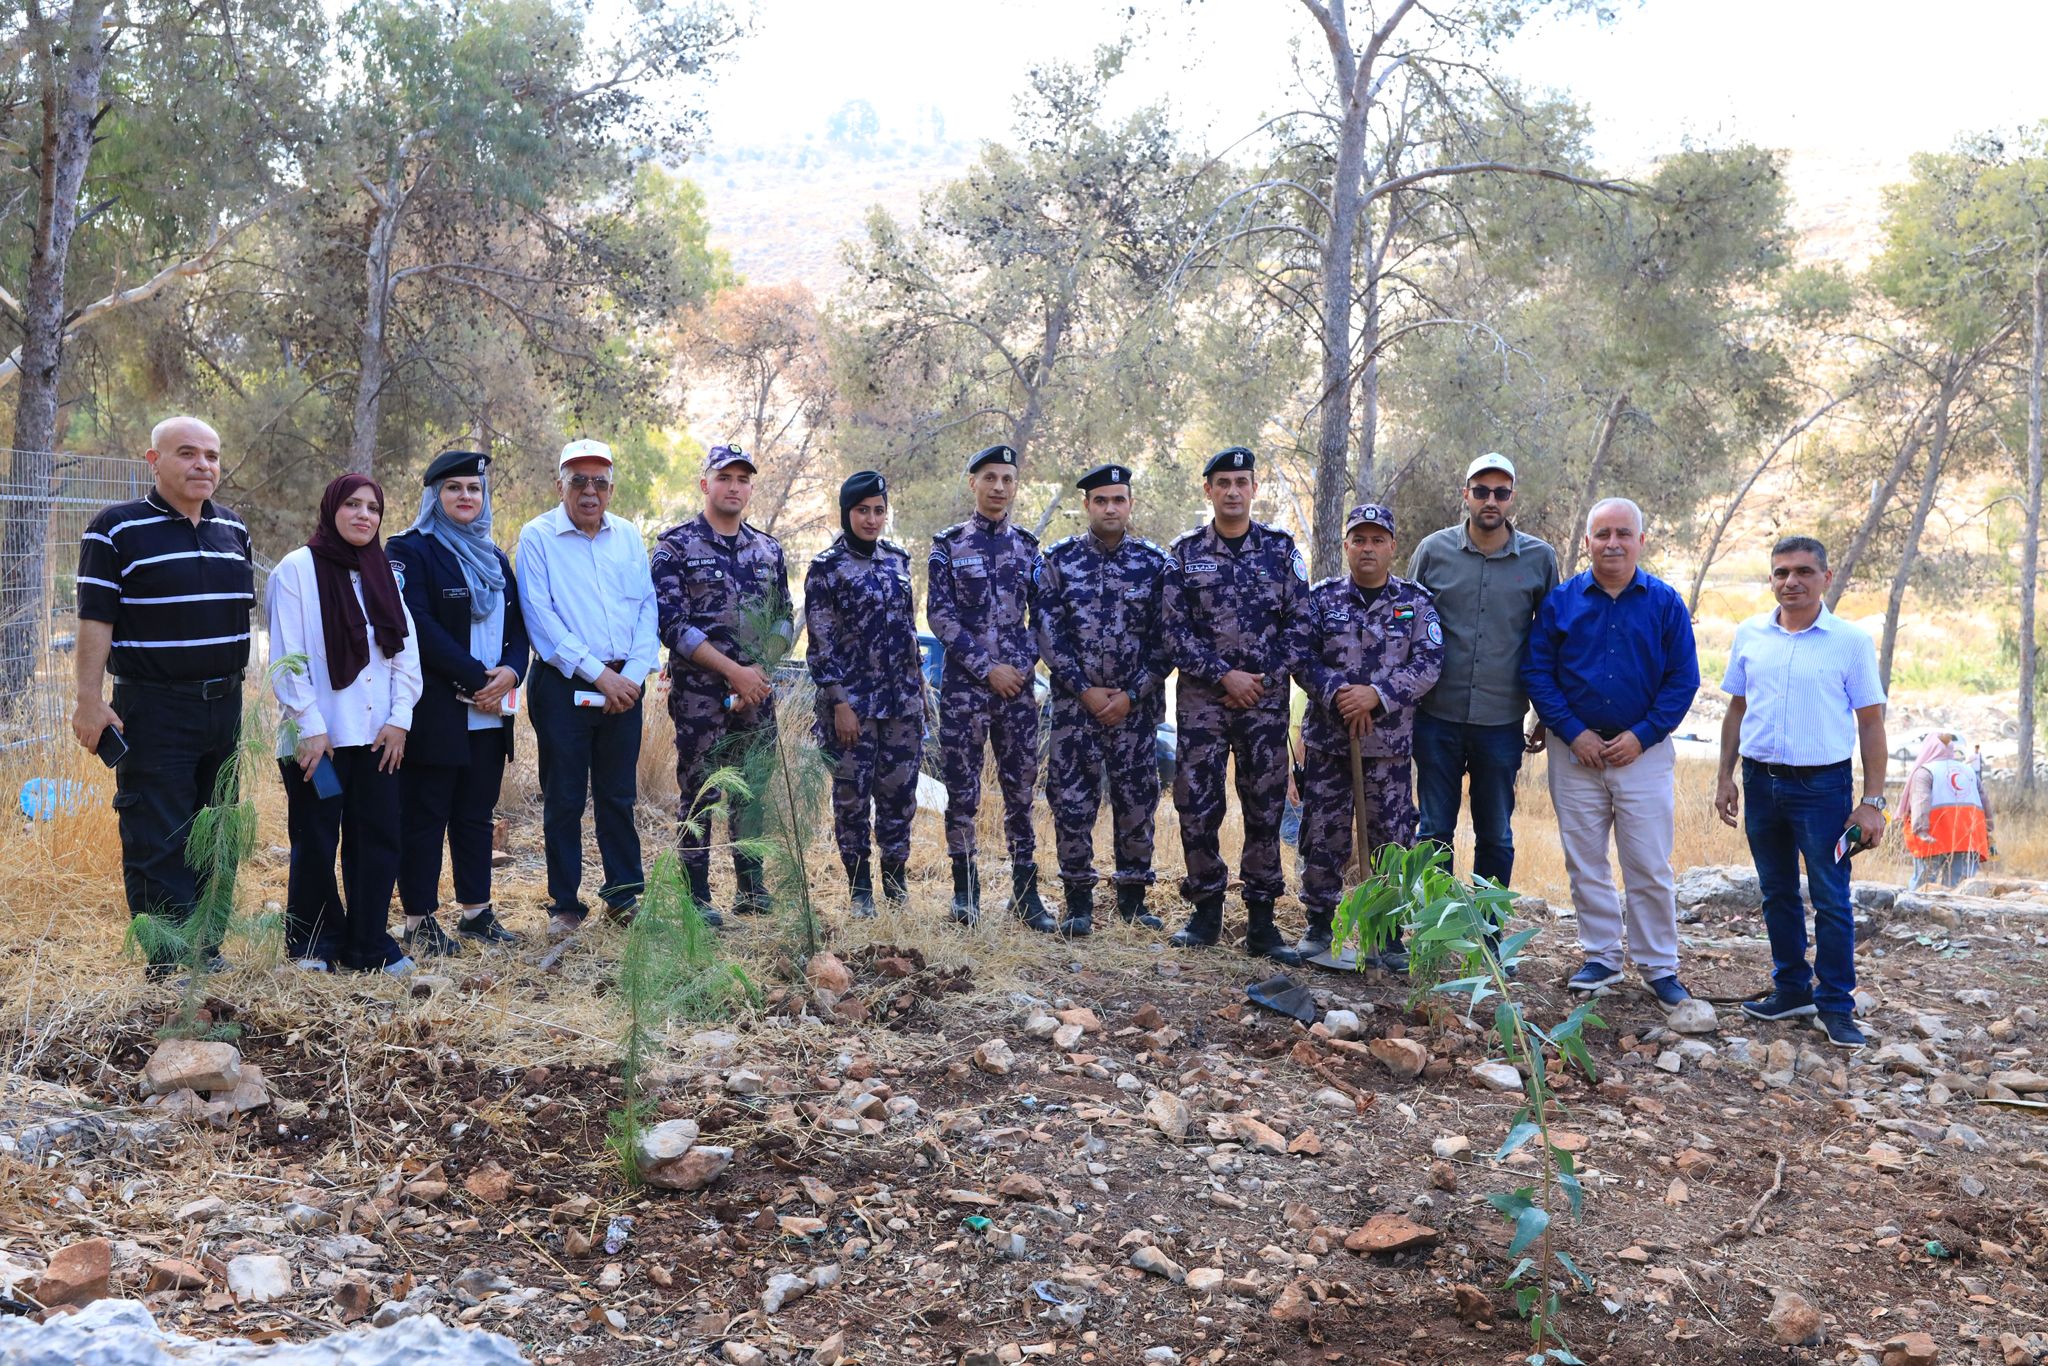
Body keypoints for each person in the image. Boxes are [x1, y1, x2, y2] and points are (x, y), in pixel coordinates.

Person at [72, 416, 257, 980]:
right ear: (154, 461)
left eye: (212, 455)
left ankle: (207, 947)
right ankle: (170, 962)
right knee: (159, 835)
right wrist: (87, 700)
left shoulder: (234, 530)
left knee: (216, 829)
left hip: (225, 705)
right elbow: (95, 621)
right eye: (187, 453)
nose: (203, 465)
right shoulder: (116, 529)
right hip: (153, 708)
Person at [1522, 498, 1700, 1007]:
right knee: (1585, 862)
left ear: (1641, 541)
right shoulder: (1560, 603)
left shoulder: (1665, 603)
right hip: (1574, 754)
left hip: (1642, 754)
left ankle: (1659, 966)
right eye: (1602, 534)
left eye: (1623, 534)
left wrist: (1642, 735)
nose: (1613, 543)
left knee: (1648, 863)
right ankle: (1601, 956)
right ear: (1587, 542)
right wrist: (1572, 731)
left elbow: (1683, 679)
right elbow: (1537, 671)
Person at [1714, 535, 1889, 1050]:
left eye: (1803, 572)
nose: (1791, 581)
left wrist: (1872, 802)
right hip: (1760, 782)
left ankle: (1835, 1005)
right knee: (1777, 892)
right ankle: (1791, 989)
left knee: (1831, 898)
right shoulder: (1750, 634)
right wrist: (1725, 776)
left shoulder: (1849, 642)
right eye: (1781, 572)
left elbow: (1871, 723)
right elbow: (1737, 709)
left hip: (1822, 789)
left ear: (1825, 578)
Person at [1161, 446, 1313, 962]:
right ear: (1208, 490)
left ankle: (1262, 923)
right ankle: (1205, 912)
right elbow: (1172, 631)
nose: (1232, 491)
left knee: (1265, 808)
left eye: (1241, 482)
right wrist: (1223, 674)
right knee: (1197, 805)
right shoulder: (1184, 553)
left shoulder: (1280, 550)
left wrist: (1260, 679)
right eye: (1222, 483)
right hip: (1203, 705)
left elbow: (1301, 625)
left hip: (1264, 706)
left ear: (1253, 488)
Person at [266, 474, 421, 974]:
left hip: (377, 739)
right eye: (353, 504)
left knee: (377, 839)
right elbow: (287, 658)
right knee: (315, 839)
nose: (363, 515)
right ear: (331, 508)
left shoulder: (383, 573)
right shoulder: (296, 569)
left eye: (373, 508)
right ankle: (313, 943)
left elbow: (405, 654)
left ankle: (368, 944)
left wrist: (400, 719)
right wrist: (310, 726)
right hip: (320, 741)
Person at [516, 439, 660, 941]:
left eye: (600, 481)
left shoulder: (628, 536)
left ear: (612, 489)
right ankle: (565, 905)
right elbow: (541, 618)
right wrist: (600, 675)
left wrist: (632, 675)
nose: (590, 491)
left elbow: (646, 609)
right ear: (560, 485)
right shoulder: (537, 536)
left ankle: (623, 897)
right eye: (578, 480)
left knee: (618, 795)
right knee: (564, 798)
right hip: (564, 686)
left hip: (626, 687)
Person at [386, 450, 528, 955]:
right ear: (434, 496)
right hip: (437, 710)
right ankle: (419, 921)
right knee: (424, 817)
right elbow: (417, 626)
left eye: (474, 488)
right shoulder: (409, 550)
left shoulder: (494, 557)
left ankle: (476, 912)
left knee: (475, 814)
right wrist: (476, 678)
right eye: (454, 488)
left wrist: (510, 673)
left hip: (489, 711)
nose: (466, 496)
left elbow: (518, 629)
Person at [652, 444, 793, 920]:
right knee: (701, 793)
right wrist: (734, 672)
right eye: (724, 477)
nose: (734, 487)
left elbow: (784, 616)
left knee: (751, 790)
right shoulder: (675, 547)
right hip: (701, 695)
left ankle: (752, 890)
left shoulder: (768, 549)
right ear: (704, 484)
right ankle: (697, 897)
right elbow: (672, 625)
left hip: (758, 693)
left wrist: (760, 670)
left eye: (743, 479)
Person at [1296, 505, 1443, 961]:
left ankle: (1387, 932)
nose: (1368, 548)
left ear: (1392, 547)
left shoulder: (1415, 602)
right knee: (1323, 834)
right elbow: (1301, 656)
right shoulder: (1321, 599)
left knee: (1391, 842)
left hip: (1388, 748)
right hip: (1330, 742)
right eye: (1359, 539)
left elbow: (1430, 663)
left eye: (1378, 540)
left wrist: (1376, 696)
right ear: (1346, 546)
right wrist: (1341, 694)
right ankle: (1320, 924)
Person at [1033, 463, 1173, 936]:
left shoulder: (1155, 564)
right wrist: (1084, 689)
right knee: (1072, 803)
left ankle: (1133, 901)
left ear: (1130, 504)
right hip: (1077, 710)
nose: (1110, 508)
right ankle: (1078, 903)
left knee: (1137, 802)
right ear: (1087, 505)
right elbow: (1047, 633)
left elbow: (1167, 638)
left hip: (1135, 712)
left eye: (1118, 500)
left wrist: (1133, 694)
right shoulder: (1059, 561)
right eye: (1101, 500)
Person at [1407, 453, 1558, 888]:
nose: (1490, 500)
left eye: (1500, 492)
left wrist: (1543, 713)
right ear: (1466, 495)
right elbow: (1406, 626)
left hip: (1501, 722)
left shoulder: (1540, 558)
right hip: (1436, 717)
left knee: (1496, 834)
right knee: (1433, 832)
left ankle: (1488, 928)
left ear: (1511, 498)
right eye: (1481, 491)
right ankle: (1437, 923)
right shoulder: (1433, 551)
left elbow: (1550, 640)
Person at [927, 444, 1051, 930]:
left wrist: (1019, 668)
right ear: (973, 483)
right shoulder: (949, 545)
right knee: (962, 791)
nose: (999, 487)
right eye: (990, 478)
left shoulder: (1028, 548)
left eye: (1007, 479)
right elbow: (940, 616)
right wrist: (987, 668)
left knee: (1021, 792)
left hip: (1017, 692)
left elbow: (1044, 618)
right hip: (965, 691)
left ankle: (1026, 893)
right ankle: (966, 893)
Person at [804, 470, 925, 917]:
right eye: (862, 511)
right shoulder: (826, 568)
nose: (872, 519)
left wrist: (920, 696)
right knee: (852, 800)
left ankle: (895, 884)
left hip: (901, 705)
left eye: (878, 510)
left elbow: (908, 634)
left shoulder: (898, 561)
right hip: (851, 707)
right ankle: (860, 891)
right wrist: (839, 702)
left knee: (899, 796)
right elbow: (820, 646)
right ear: (846, 513)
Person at [1900, 732, 1991, 889]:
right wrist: (1988, 829)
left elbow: (1921, 801)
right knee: (1958, 887)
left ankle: (1917, 906)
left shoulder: (1925, 771)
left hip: (1934, 837)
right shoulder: (1968, 771)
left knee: (1924, 886)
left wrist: (1921, 830)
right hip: (1968, 838)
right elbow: (1984, 801)